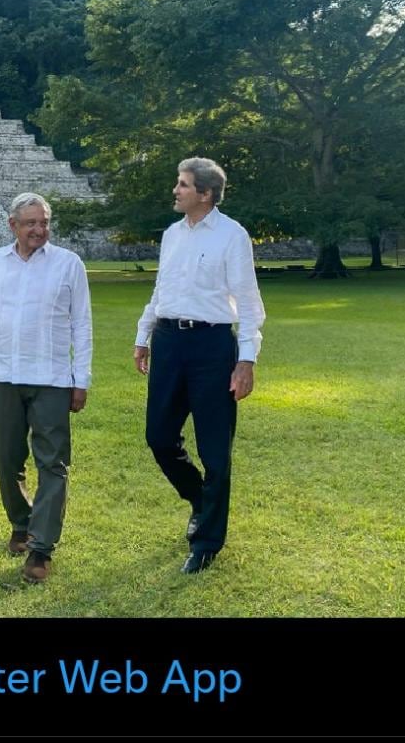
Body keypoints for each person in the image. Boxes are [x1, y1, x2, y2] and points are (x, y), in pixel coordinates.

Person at [133, 157, 266, 574]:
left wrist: (246, 360)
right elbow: (161, 290)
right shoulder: (172, 235)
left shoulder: (233, 236)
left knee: (215, 451)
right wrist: (143, 335)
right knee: (159, 437)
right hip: (169, 342)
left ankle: (207, 541)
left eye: (183, 185)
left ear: (205, 194)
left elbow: (248, 303)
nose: (175, 190)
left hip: (212, 347)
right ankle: (201, 499)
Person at [0, 192, 92, 583]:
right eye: (30, 223)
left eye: (44, 222)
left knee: (53, 463)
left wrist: (81, 379)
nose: (39, 230)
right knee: (5, 459)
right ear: (13, 226)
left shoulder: (68, 264)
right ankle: (21, 524)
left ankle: (40, 548)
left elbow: (82, 326)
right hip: (2, 375)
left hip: (52, 378)